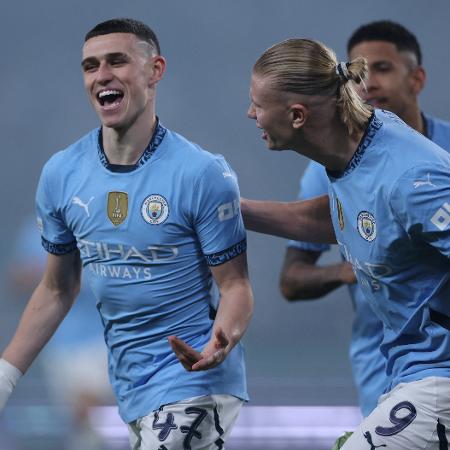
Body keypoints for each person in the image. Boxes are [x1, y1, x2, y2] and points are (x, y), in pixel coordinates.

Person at [0, 18, 254, 450]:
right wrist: (5, 378)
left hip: (196, 381)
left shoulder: (202, 173)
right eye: (90, 66)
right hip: (131, 389)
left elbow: (236, 286)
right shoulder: (62, 174)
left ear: (155, 70)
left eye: (117, 61)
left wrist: (221, 340)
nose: (102, 75)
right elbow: (56, 288)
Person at [243, 37, 450, 449]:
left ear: (297, 116)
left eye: (257, 104)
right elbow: (334, 218)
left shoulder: (411, 178)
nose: (251, 114)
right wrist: (229, 210)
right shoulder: (351, 151)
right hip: (408, 372)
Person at [9, 214, 114, 450]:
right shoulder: (34, 230)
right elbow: (17, 277)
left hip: (100, 339)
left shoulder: (100, 227)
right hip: (58, 342)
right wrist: (33, 277)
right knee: (80, 415)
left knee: (89, 405)